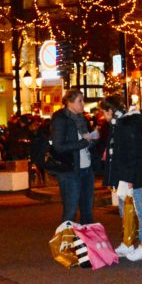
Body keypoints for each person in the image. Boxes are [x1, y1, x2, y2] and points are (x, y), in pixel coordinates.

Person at [101, 94, 142, 262]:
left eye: (104, 113)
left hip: (131, 174)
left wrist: (130, 176)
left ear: (110, 110)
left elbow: (132, 152)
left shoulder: (126, 124)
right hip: (125, 173)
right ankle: (127, 242)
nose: (104, 117)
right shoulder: (120, 124)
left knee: (138, 209)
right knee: (125, 208)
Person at [50, 88, 99, 225]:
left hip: (86, 168)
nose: (83, 104)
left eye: (83, 100)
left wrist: (93, 139)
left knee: (87, 211)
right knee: (70, 211)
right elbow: (58, 146)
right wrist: (83, 142)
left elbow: (87, 140)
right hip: (70, 170)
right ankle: (67, 242)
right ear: (70, 102)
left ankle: (87, 242)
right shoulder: (60, 118)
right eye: (80, 101)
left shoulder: (82, 118)